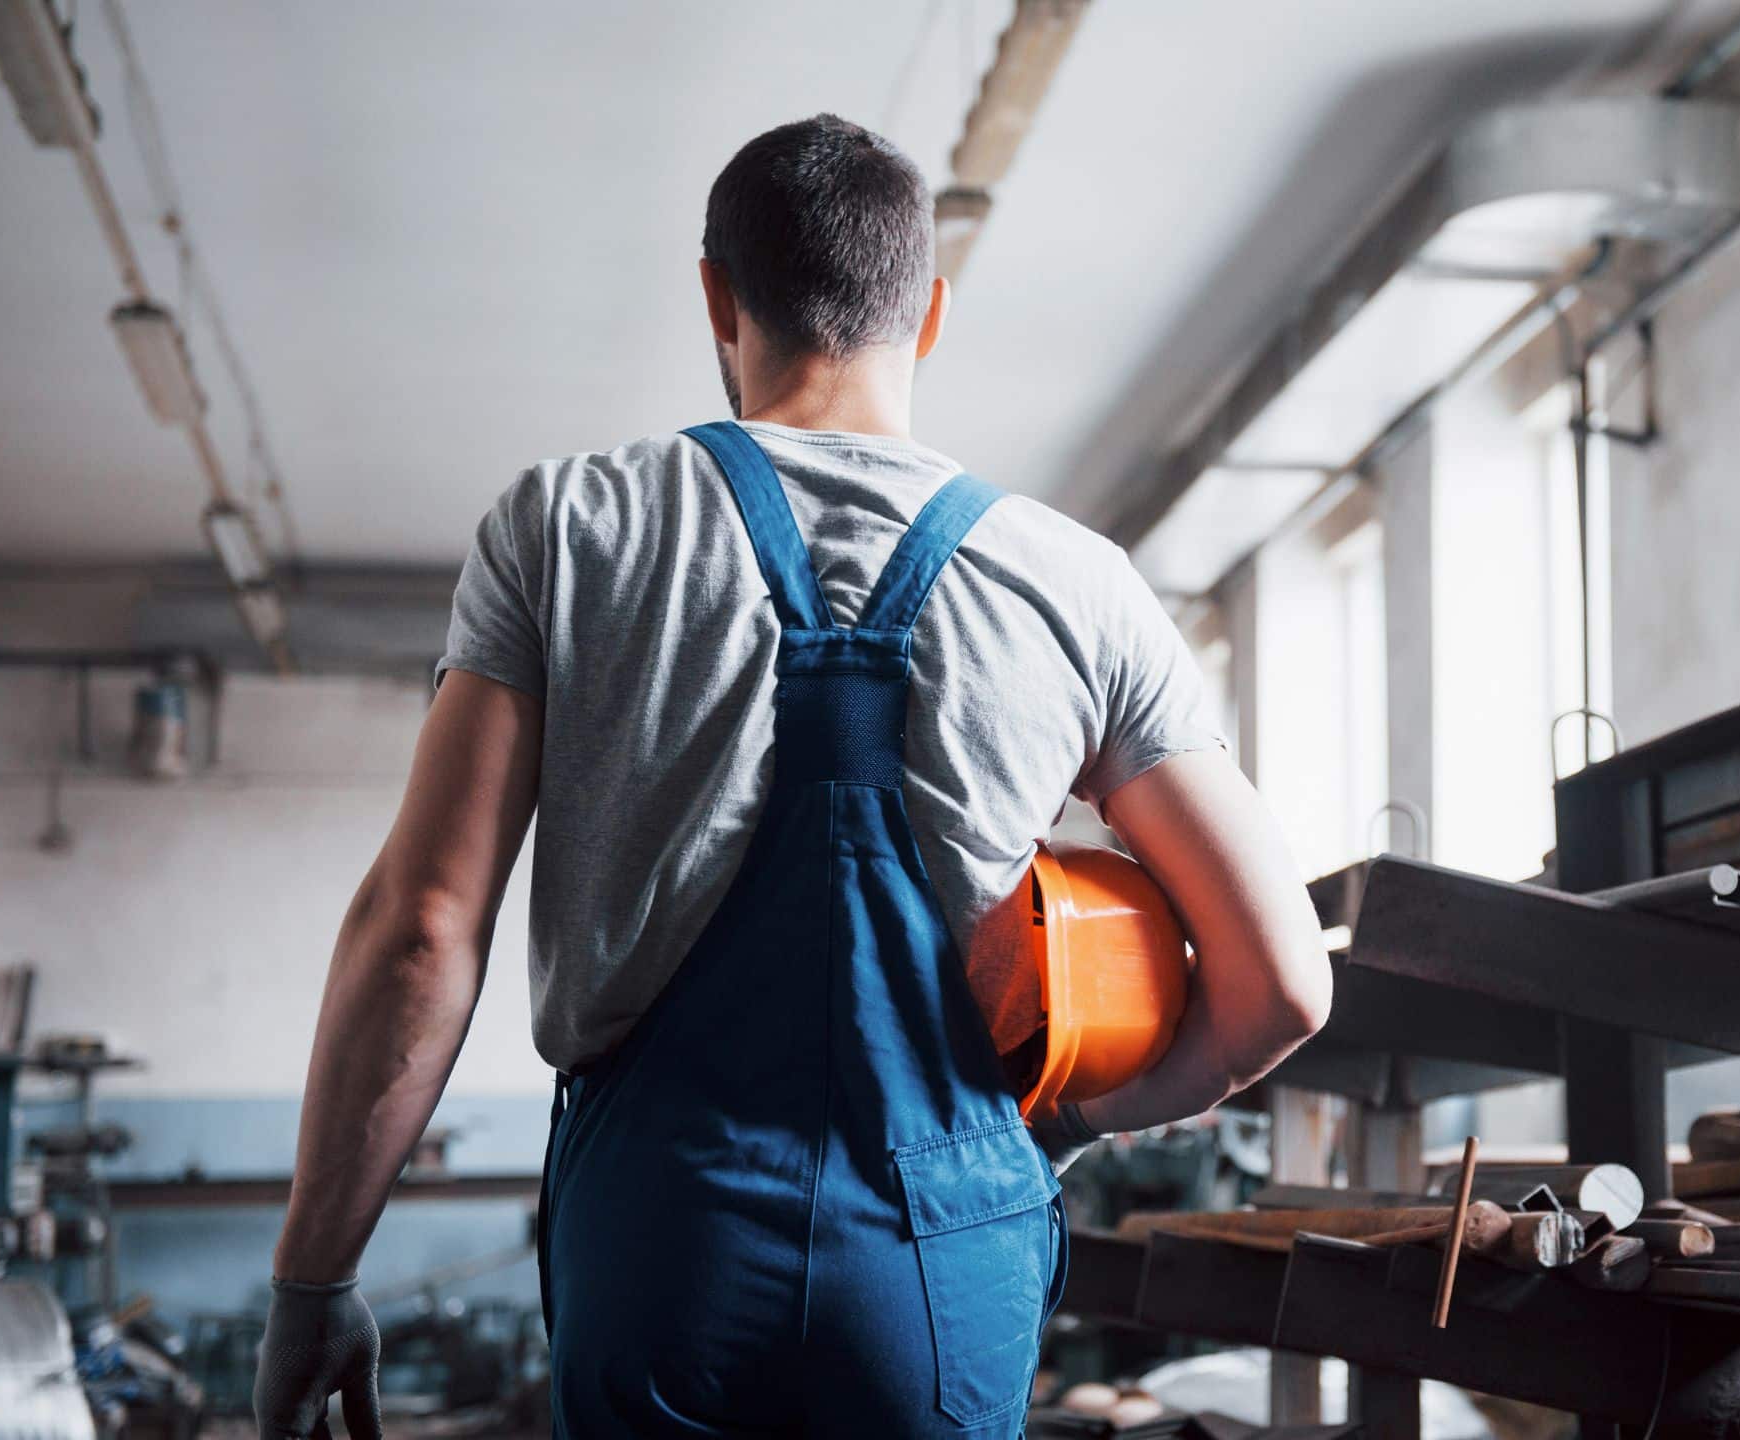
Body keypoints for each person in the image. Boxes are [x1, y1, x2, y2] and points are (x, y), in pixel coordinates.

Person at [254, 113, 1332, 1438]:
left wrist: (316, 1276)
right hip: (945, 1246)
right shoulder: (1080, 584)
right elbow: (1281, 982)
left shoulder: (570, 525)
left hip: (663, 1241)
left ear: (719, 295)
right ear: (928, 314)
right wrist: (1058, 1133)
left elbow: (423, 932)